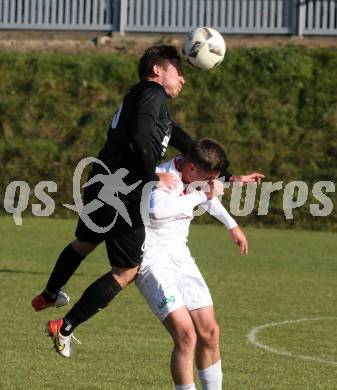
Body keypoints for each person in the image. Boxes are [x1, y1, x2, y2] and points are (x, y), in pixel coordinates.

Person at [32, 45, 196, 356]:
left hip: (101, 181)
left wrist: (219, 167)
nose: (183, 78)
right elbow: (140, 137)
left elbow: (178, 137)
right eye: (178, 69)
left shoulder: (144, 97)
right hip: (123, 191)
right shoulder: (153, 94)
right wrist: (151, 176)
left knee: (84, 243)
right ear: (157, 70)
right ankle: (64, 327)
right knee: (126, 270)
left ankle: (51, 292)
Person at [135, 138, 254, 390]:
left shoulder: (195, 178)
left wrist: (232, 225)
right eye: (208, 178)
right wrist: (202, 194)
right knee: (186, 335)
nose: (211, 183)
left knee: (210, 331)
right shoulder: (165, 177)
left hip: (181, 257)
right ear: (191, 169)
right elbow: (157, 211)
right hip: (153, 262)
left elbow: (206, 197)